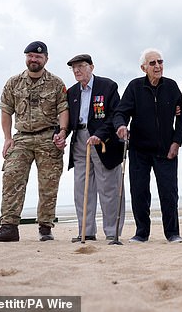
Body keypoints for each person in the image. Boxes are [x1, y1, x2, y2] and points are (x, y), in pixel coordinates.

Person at [0, 41, 68, 243]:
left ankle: (45, 228)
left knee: (49, 183)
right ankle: (9, 227)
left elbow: (63, 109)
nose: (33, 59)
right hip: (22, 137)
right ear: (26, 57)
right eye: (30, 56)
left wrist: (62, 132)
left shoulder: (56, 83)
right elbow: (6, 110)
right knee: (11, 177)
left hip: (48, 137)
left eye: (38, 56)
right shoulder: (13, 82)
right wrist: (7, 138)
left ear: (46, 58)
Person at [113, 48, 182, 243]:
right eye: (152, 63)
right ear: (143, 67)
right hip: (139, 150)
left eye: (160, 62)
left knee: (169, 193)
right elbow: (121, 112)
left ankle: (172, 233)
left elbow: (181, 118)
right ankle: (141, 233)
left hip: (166, 150)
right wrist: (121, 126)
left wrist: (176, 142)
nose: (157, 66)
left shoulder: (171, 86)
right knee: (139, 192)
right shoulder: (135, 87)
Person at [64, 54, 125, 243]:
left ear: (91, 67)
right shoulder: (72, 92)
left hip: (103, 142)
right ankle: (86, 231)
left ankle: (112, 232)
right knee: (82, 189)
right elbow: (68, 120)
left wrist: (101, 134)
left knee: (108, 189)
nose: (77, 70)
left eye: (81, 66)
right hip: (80, 141)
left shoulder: (108, 86)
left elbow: (115, 114)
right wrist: (60, 134)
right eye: (74, 68)